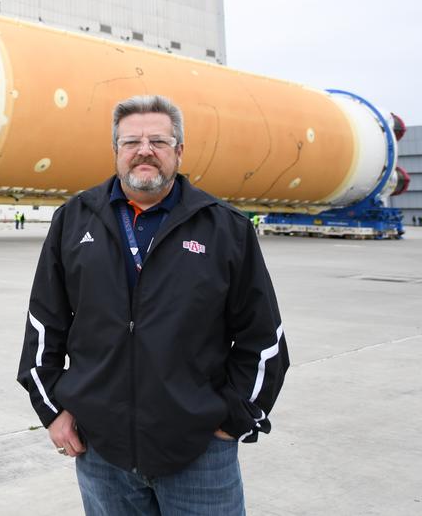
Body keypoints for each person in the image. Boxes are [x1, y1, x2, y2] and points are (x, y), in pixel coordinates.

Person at [18, 95, 288, 515]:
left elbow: (264, 339)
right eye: (131, 142)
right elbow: (43, 325)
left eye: (158, 141)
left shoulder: (225, 228)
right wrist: (53, 410)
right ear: (116, 152)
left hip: (198, 452)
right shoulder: (74, 220)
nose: (144, 150)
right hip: (101, 450)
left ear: (178, 151)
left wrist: (231, 418)